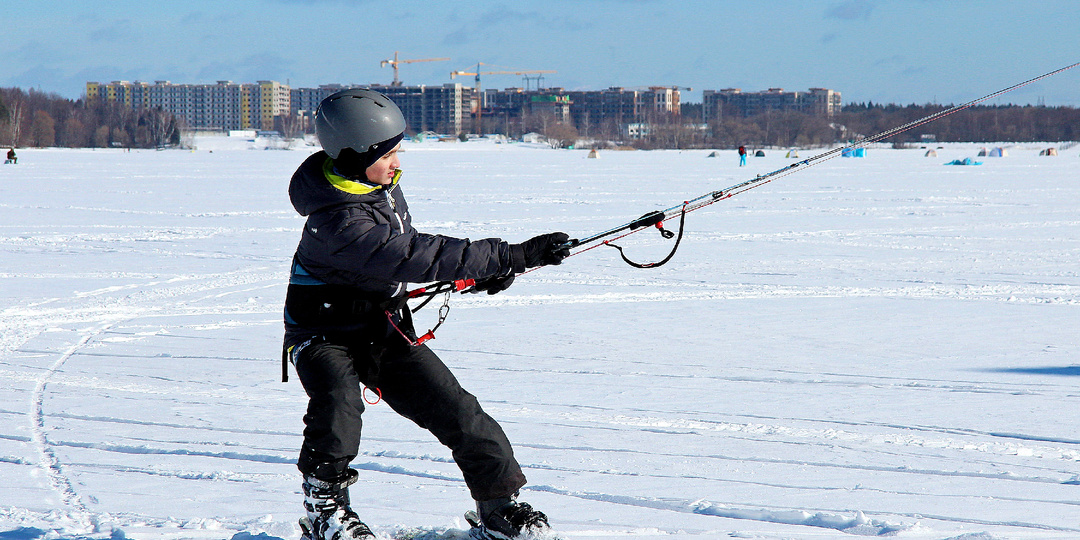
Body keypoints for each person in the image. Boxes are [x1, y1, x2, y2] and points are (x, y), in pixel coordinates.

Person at [283, 88, 570, 540]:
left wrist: (476, 276)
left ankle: (498, 507)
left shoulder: (376, 188)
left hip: (382, 325)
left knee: (460, 412)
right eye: (390, 153)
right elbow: (413, 254)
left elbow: (401, 262)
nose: (398, 162)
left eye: (399, 150)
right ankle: (325, 510)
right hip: (323, 334)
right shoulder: (338, 219)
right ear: (356, 155)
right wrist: (510, 256)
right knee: (339, 409)